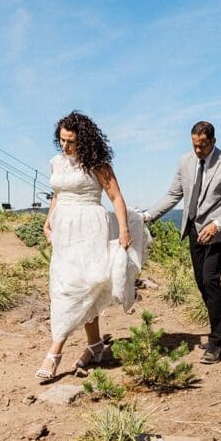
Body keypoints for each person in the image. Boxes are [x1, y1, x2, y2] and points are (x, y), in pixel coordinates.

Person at [36, 111, 148, 380]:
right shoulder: (56, 162)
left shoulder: (98, 164)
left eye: (71, 141)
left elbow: (116, 197)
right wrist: (48, 222)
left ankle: (55, 352)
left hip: (89, 227)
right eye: (62, 140)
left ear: (83, 140)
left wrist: (123, 230)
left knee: (81, 286)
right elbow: (57, 195)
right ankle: (96, 346)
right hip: (64, 231)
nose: (65, 146)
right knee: (67, 286)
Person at [144, 121, 221, 363]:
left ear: (213, 141)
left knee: (211, 279)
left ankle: (215, 342)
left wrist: (217, 224)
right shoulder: (185, 162)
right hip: (193, 229)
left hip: (217, 232)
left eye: (202, 146)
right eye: (194, 145)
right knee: (202, 282)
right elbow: (173, 195)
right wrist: (148, 217)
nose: (198, 150)